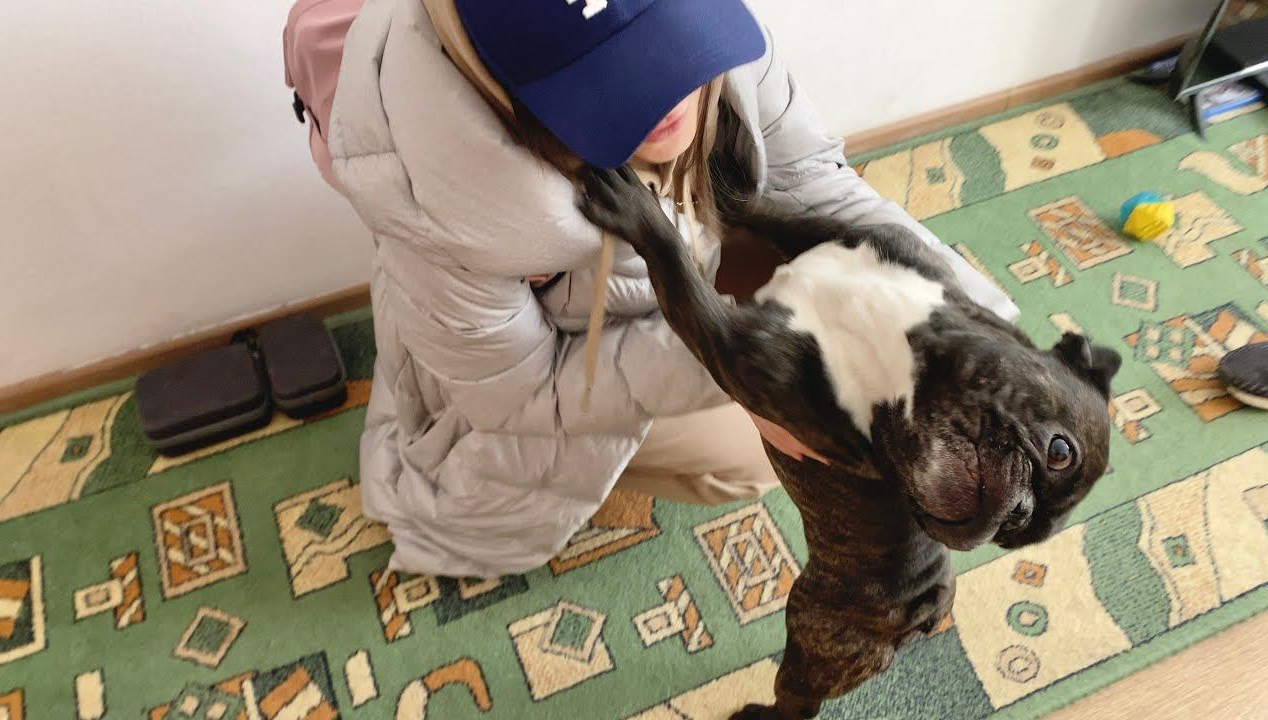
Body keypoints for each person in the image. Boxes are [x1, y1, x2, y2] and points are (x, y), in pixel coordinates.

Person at [327, 0, 1019, 577]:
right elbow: (517, 392)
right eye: (612, 73)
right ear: (503, 86)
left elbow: (809, 177)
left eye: (672, 37)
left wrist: (986, 330)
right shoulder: (442, 209)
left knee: (835, 292)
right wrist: (747, 373)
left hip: (639, 275)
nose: (670, 93)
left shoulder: (715, 51)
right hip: (511, 394)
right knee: (766, 450)